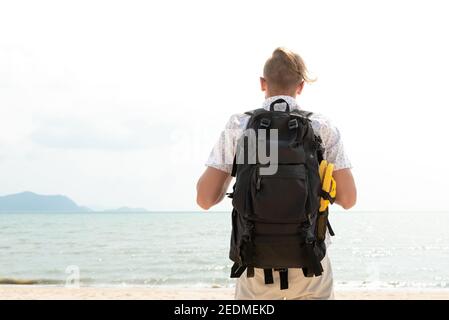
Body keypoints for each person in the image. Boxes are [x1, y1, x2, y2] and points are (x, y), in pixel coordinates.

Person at [196, 47, 357, 300]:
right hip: (311, 261)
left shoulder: (239, 124)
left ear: (263, 83)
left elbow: (205, 199)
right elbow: (348, 199)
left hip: (254, 261)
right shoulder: (322, 126)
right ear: (301, 86)